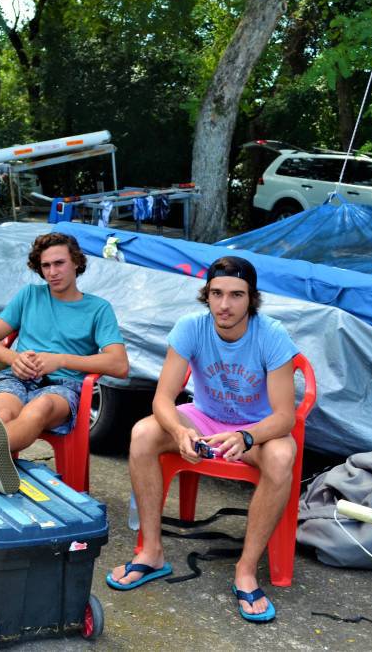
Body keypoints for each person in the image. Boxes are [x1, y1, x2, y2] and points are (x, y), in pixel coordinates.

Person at [106, 256, 299, 624]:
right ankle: (151, 552)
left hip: (255, 429)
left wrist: (247, 436)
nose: (225, 304)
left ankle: (245, 569)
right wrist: (180, 432)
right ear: (206, 295)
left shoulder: (272, 335)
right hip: (204, 418)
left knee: (281, 457)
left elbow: (284, 417)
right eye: (217, 293)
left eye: (236, 295)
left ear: (252, 298)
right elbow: (163, 400)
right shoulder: (191, 327)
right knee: (143, 433)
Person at [0, 232, 129, 494]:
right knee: (2, 414)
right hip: (17, 377)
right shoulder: (29, 295)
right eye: (45, 266)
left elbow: (119, 364)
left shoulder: (98, 308)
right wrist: (14, 359)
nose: (52, 272)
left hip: (63, 386)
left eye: (59, 263)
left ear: (76, 263)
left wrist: (61, 360)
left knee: (42, 406)